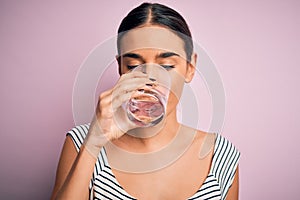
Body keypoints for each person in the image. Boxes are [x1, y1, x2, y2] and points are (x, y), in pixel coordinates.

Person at [51, 2, 240, 200]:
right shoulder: (82, 142)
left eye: (166, 65)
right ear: (120, 68)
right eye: (133, 65)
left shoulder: (219, 155)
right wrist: (94, 142)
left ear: (190, 67)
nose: (150, 77)